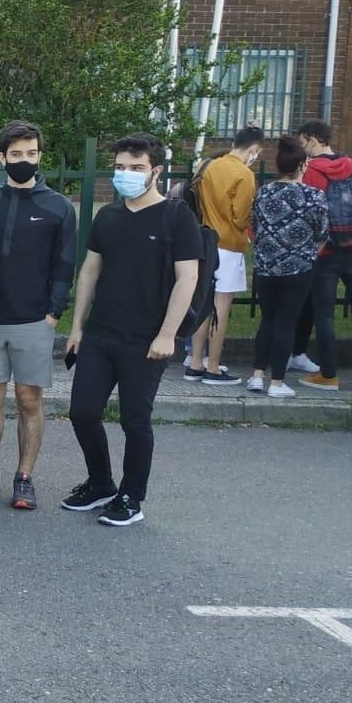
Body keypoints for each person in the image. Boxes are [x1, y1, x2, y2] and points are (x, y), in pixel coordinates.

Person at [63, 135, 202, 527]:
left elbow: (187, 277)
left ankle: (131, 497)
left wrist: (167, 334)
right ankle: (100, 483)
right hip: (100, 333)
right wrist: (77, 326)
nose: (126, 174)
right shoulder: (108, 216)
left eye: (136, 168)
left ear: (155, 171)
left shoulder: (176, 217)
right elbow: (89, 271)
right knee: (82, 412)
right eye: (120, 167)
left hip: (146, 339)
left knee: (134, 421)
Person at [0, 121, 76, 509]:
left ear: (40, 155)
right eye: (17, 154)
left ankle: (24, 477)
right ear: (2, 157)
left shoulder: (57, 206)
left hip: (34, 320)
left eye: (32, 153)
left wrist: (53, 313)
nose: (25, 160)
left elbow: (65, 264)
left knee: (28, 399)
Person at [247, 135, 328, 398]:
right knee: (286, 323)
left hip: (265, 267)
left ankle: (257, 375)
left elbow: (255, 225)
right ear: (303, 165)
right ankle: (277, 382)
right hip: (298, 268)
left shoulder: (263, 192)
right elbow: (322, 232)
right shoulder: (314, 196)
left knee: (267, 321)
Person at [297, 119, 352, 392]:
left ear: (313, 139)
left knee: (324, 313)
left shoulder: (309, 172)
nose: (301, 148)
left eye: (302, 142)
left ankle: (328, 376)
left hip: (325, 251)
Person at [186, 125, 262, 384]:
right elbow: (240, 217)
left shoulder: (209, 165)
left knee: (203, 303)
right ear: (254, 149)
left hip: (205, 239)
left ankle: (195, 362)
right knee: (221, 306)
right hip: (229, 244)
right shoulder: (244, 174)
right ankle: (213, 366)